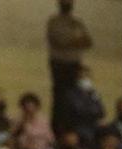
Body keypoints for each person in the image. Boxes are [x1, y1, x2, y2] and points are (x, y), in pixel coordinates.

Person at [47, 0, 92, 129]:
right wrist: (76, 40)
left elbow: (88, 41)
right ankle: (58, 127)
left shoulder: (77, 21)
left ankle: (71, 126)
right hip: (59, 63)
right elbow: (59, 41)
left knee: (74, 96)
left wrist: (73, 40)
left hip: (74, 63)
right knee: (60, 97)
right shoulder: (54, 21)